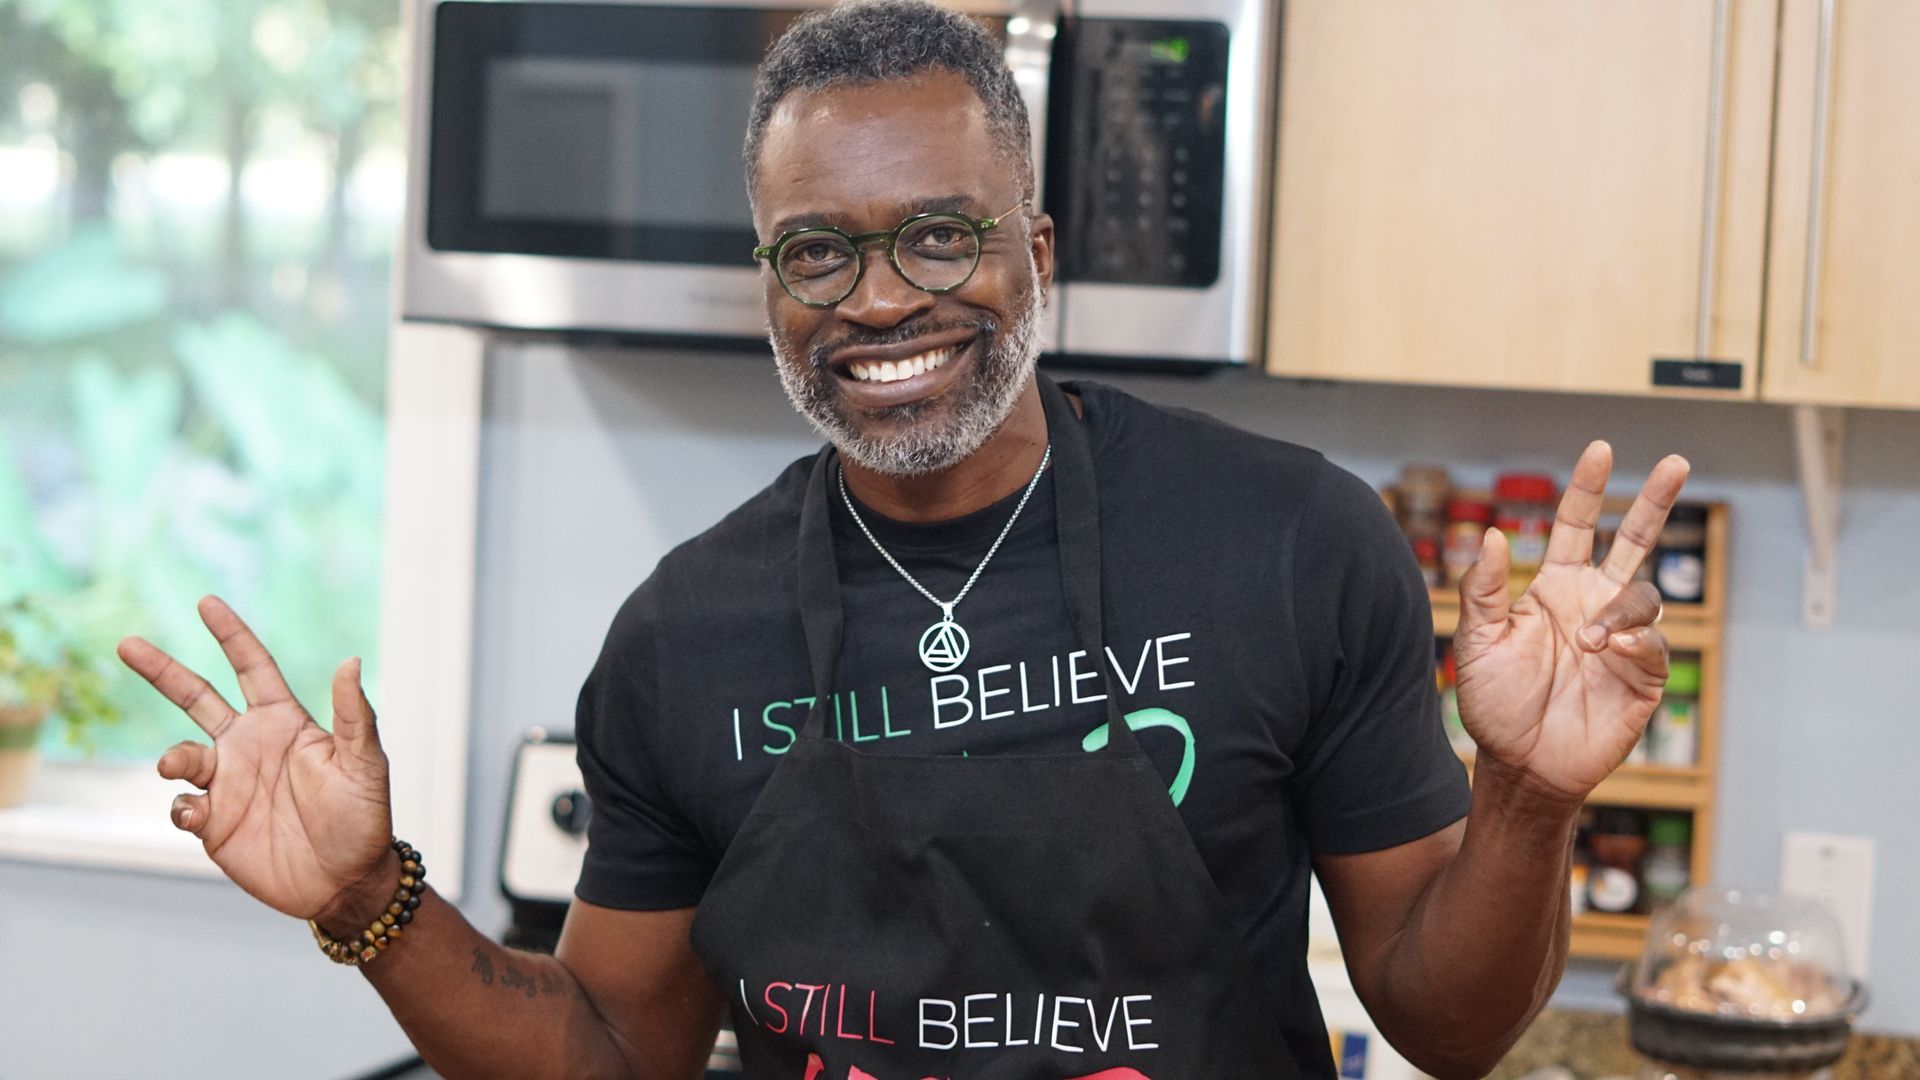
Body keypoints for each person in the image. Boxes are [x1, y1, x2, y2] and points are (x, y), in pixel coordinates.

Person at [117, 3, 1689, 1077]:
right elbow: (611, 1052)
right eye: (819, 252)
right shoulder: (683, 636)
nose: (879, 300)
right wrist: (366, 901)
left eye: (941, 233)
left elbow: (1447, 1026)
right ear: (769, 287)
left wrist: (1533, 795)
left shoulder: (1288, 541)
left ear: (1039, 251)